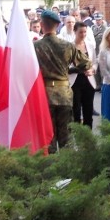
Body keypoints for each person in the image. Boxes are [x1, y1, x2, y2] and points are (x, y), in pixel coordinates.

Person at [34, 9, 89, 153]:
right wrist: (68, 70)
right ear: (58, 25)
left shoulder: (36, 47)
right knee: (66, 135)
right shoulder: (67, 45)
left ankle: (52, 167)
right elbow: (86, 64)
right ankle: (67, 167)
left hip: (45, 94)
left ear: (41, 24)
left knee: (49, 134)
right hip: (64, 93)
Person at [70, 21, 97, 128]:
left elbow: (94, 62)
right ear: (75, 32)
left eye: (85, 32)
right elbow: (66, 66)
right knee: (76, 110)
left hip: (88, 81)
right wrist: (78, 69)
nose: (83, 35)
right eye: (80, 32)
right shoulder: (70, 47)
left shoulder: (90, 45)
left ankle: (88, 136)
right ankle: (77, 135)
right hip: (74, 82)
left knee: (88, 110)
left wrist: (92, 70)